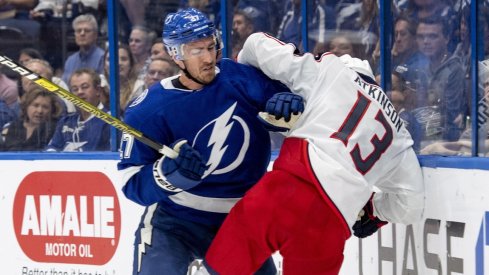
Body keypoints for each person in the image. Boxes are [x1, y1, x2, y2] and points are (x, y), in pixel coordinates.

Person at [205, 32, 425, 274]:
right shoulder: (400, 137)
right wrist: (374, 210)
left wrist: (248, 73)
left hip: (287, 189)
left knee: (220, 269)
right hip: (331, 223)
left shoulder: (331, 70)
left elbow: (257, 43)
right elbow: (410, 205)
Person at [117, 8, 292, 275]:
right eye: (197, 51)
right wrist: (168, 175)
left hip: (238, 220)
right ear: (176, 55)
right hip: (174, 221)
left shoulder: (240, 78)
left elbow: (287, 113)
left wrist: (288, 107)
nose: (209, 58)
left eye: (211, 47)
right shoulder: (147, 110)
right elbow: (132, 185)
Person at [414, 16, 466, 145]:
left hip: (444, 144)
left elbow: (452, 120)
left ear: (446, 39)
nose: (426, 41)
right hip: (421, 139)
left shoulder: (455, 70)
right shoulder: (420, 69)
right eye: (421, 37)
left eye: (433, 36)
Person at [46, 68, 110, 152]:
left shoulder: (110, 121)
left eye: (85, 87)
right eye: (75, 89)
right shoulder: (65, 121)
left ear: (98, 90)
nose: (80, 92)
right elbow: (51, 151)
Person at [61, 13, 104, 84]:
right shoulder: (70, 61)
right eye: (78, 31)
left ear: (95, 35)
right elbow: (65, 86)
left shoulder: (103, 58)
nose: (82, 34)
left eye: (87, 30)